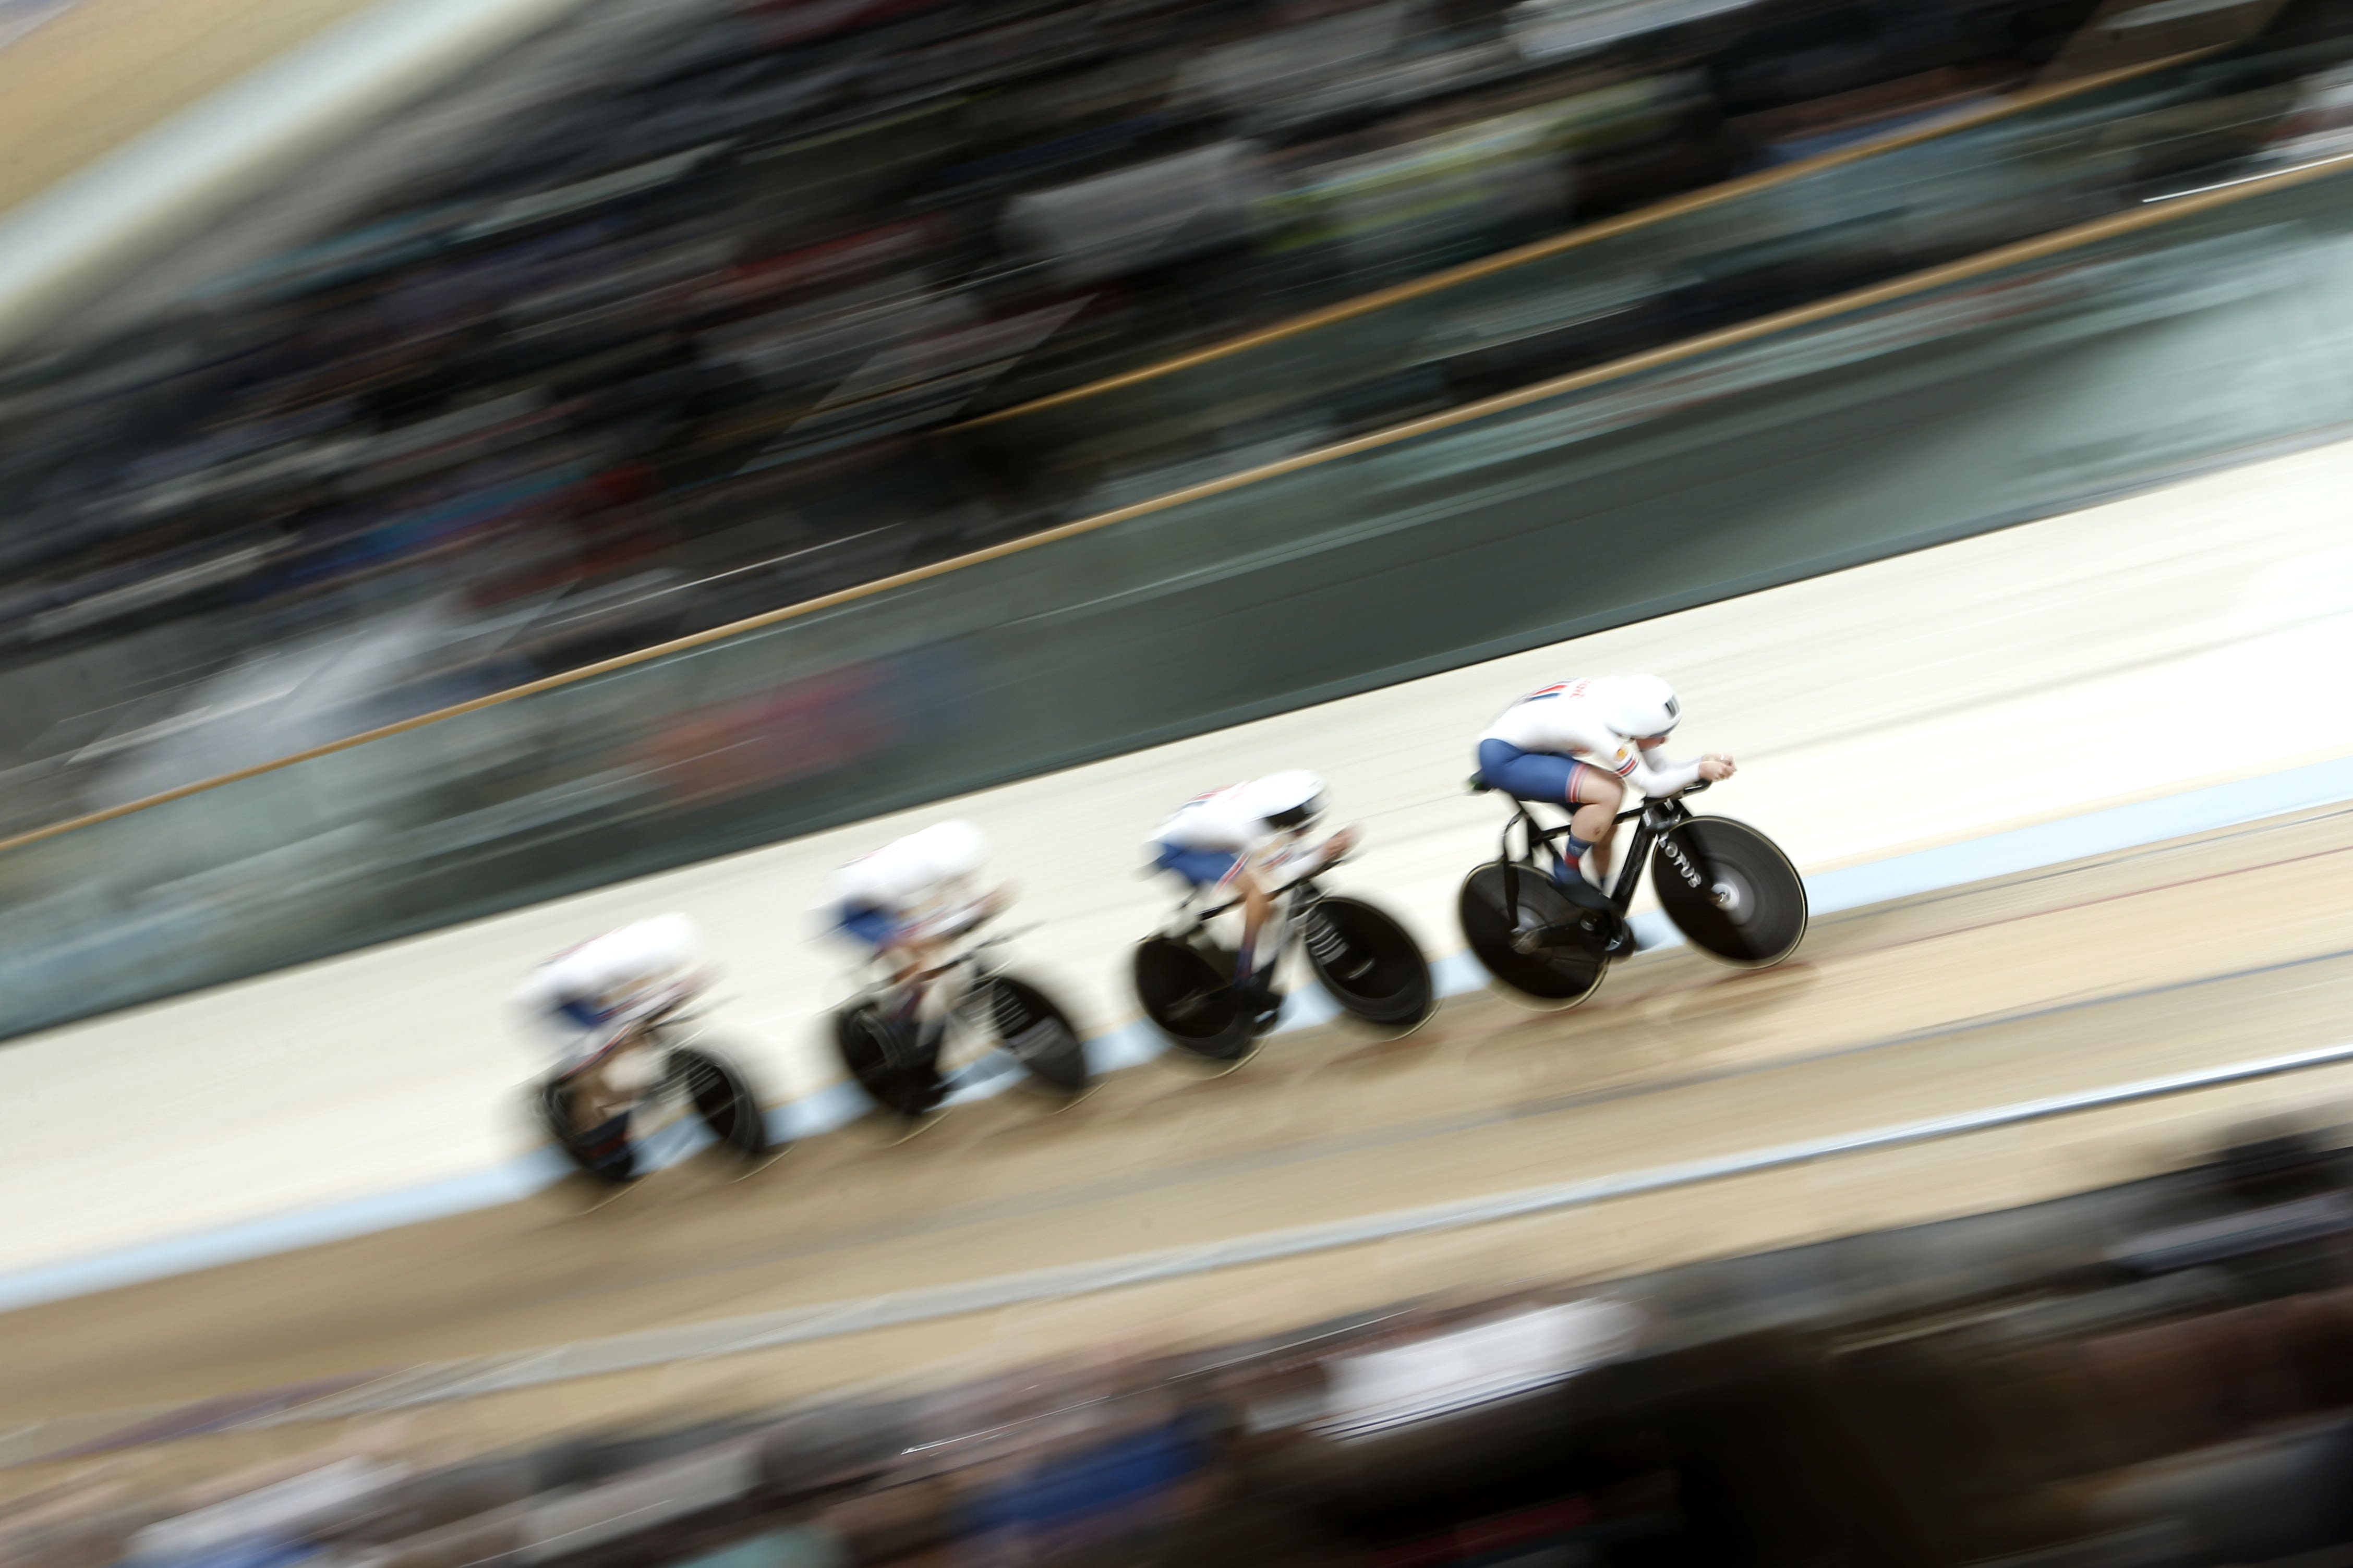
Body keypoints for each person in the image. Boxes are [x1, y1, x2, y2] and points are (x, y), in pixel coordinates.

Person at [1475, 675, 1734, 891]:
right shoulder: (1593, 727)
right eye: (1659, 736)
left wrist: (1702, 764)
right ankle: (1568, 870)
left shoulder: (1622, 701)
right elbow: (1651, 784)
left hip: (1535, 744)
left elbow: (1661, 769)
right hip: (1506, 758)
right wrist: (1699, 769)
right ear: (1637, 726)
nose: (1664, 741)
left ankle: (1600, 906)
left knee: (1604, 828)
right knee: (1610, 792)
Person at [1148, 771, 1357, 1027]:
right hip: (1180, 849)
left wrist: (1321, 852)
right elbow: (1284, 870)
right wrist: (1324, 852)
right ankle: (1244, 976)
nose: (1304, 831)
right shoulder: (1247, 828)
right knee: (1257, 896)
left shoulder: (1264, 806)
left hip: (1208, 832)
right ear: (1285, 815)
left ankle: (1242, 955)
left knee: (1268, 908)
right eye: (1302, 825)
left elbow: (1284, 856)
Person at [515, 913, 709, 1178]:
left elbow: (648, 995)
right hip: (551, 1005)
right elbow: (610, 1014)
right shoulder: (604, 968)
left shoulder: (646, 946)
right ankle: (597, 1139)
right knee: (596, 1070)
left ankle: (633, 1095)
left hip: (583, 990)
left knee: (636, 1028)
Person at [829, 819, 1007, 1048]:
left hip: (884, 892)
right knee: (917, 953)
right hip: (857, 908)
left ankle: (925, 1003)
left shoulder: (945, 857)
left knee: (937, 943)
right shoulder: (913, 871)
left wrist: (981, 905)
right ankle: (898, 1021)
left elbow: (962, 896)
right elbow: (914, 919)